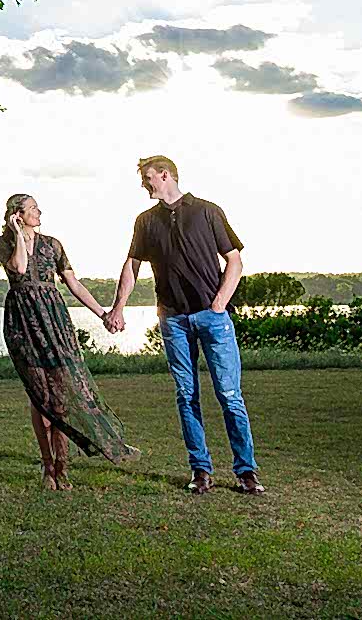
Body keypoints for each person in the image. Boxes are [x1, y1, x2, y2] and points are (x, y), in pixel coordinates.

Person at [105, 154, 264, 495]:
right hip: (173, 319)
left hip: (212, 317)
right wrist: (119, 307)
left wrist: (220, 302)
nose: (144, 184)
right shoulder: (145, 221)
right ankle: (200, 470)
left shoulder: (207, 211)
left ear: (165, 175)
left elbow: (234, 260)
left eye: (148, 177)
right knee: (186, 394)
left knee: (229, 394)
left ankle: (246, 471)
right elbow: (131, 266)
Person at [0, 192, 139, 489]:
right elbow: (19, 268)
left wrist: (103, 314)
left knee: (59, 396)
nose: (39, 212)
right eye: (33, 208)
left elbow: (73, 283)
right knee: (39, 394)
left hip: (54, 319)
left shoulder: (53, 245)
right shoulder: (3, 243)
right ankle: (47, 466)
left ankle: (62, 465)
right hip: (22, 321)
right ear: (18, 214)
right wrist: (19, 234)